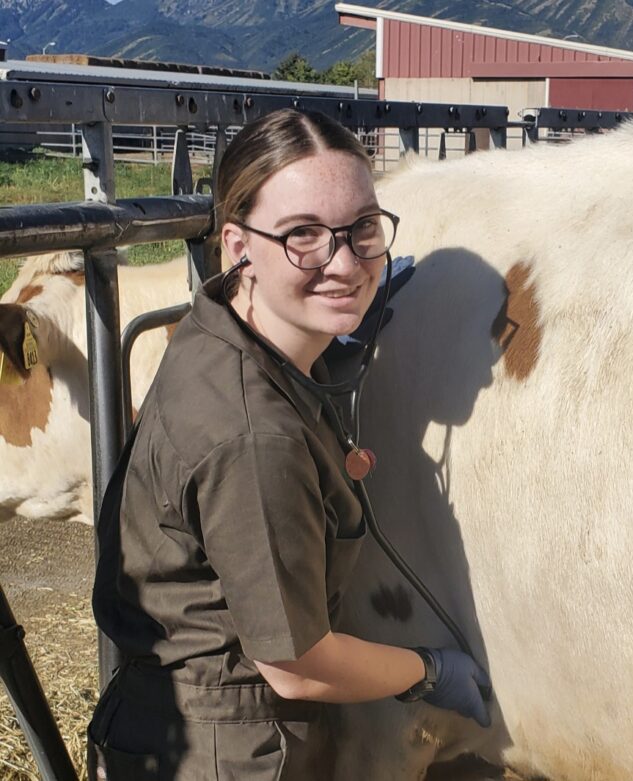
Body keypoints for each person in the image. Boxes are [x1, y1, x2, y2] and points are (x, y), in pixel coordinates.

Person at [88, 108, 490, 781]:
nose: (344, 262)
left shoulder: (227, 326)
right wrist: (430, 670)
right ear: (237, 246)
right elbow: (296, 663)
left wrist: (329, 352)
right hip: (228, 751)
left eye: (362, 228)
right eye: (304, 234)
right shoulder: (254, 435)